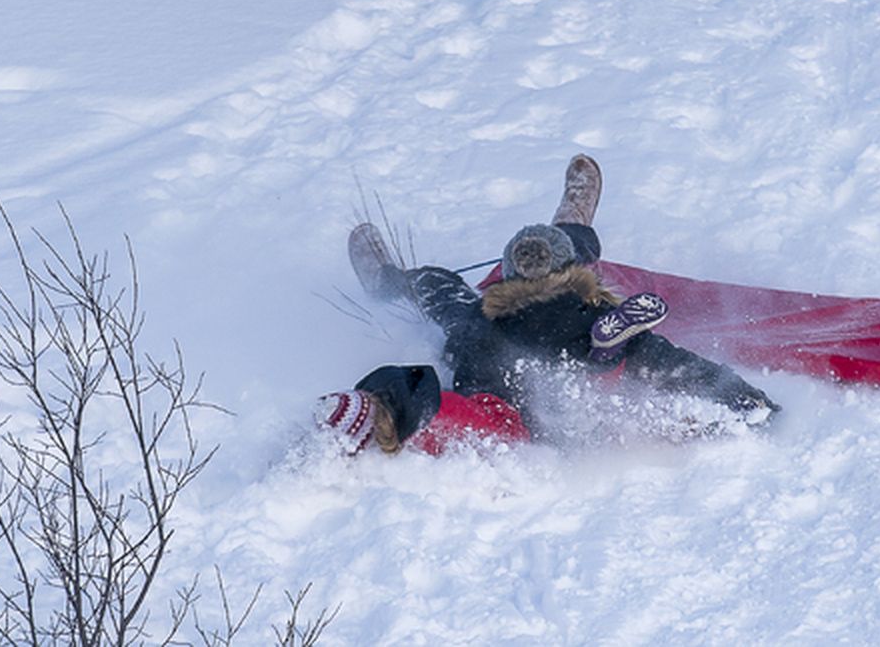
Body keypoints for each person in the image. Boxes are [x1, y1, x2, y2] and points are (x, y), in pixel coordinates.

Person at [314, 155, 780, 456]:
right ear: (573, 273)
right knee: (634, 358)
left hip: (522, 417)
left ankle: (384, 295)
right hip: (582, 373)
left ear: (504, 276)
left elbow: (456, 393)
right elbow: (680, 365)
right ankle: (605, 355)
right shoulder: (591, 307)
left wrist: (385, 402)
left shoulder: (477, 320)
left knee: (441, 303)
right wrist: (748, 400)